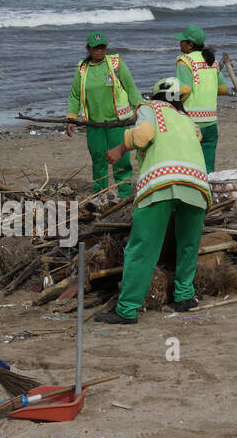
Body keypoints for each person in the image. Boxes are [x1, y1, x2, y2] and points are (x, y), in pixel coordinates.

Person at [96, 78, 210, 324]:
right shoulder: (189, 120)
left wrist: (120, 147)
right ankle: (184, 296)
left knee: (142, 248)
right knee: (188, 245)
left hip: (162, 182)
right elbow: (197, 138)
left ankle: (126, 309)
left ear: (156, 96)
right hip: (197, 184)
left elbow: (144, 135)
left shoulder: (150, 108)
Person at [66, 31, 142, 199]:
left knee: (121, 162)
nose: (99, 51)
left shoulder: (116, 63)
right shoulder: (82, 69)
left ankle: (124, 195)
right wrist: (71, 118)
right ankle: (100, 195)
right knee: (98, 160)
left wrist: (141, 109)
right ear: (88, 48)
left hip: (118, 123)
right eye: (95, 48)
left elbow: (130, 88)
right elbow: (75, 95)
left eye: (102, 47)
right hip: (94, 125)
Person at [174, 25, 227, 174]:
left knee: (190, 164)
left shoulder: (184, 61)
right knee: (208, 166)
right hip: (211, 122)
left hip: (191, 122)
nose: (180, 44)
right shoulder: (212, 61)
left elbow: (185, 90)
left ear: (190, 45)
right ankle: (208, 192)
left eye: (182, 41)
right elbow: (223, 89)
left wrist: (169, 101)